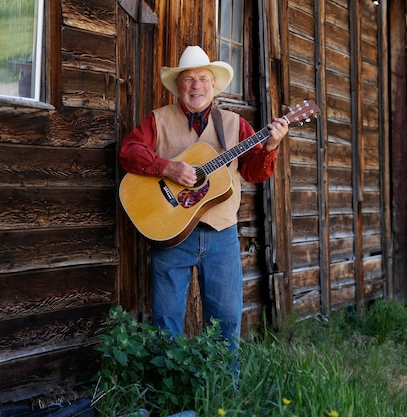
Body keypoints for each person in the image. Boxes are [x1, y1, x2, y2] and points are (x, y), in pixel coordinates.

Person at [118, 45, 289, 349]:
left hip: (221, 235)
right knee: (165, 324)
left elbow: (253, 172)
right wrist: (167, 167)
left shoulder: (236, 125)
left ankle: (222, 393)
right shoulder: (157, 120)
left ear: (213, 85)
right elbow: (128, 152)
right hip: (170, 234)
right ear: (178, 86)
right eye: (188, 79)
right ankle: (170, 392)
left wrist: (271, 147)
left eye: (202, 79)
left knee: (226, 322)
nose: (196, 86)